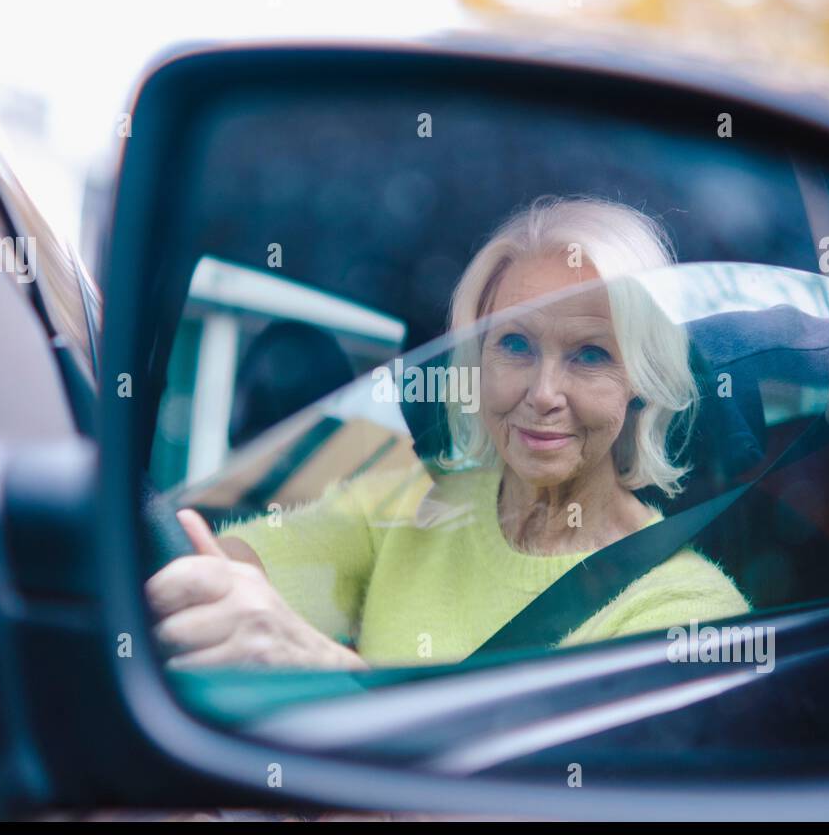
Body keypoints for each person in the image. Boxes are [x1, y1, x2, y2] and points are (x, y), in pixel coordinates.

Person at [146, 196, 748, 669]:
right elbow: (225, 571)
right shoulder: (407, 502)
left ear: (640, 379)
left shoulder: (691, 612)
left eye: (590, 355)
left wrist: (324, 670)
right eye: (515, 343)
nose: (542, 394)